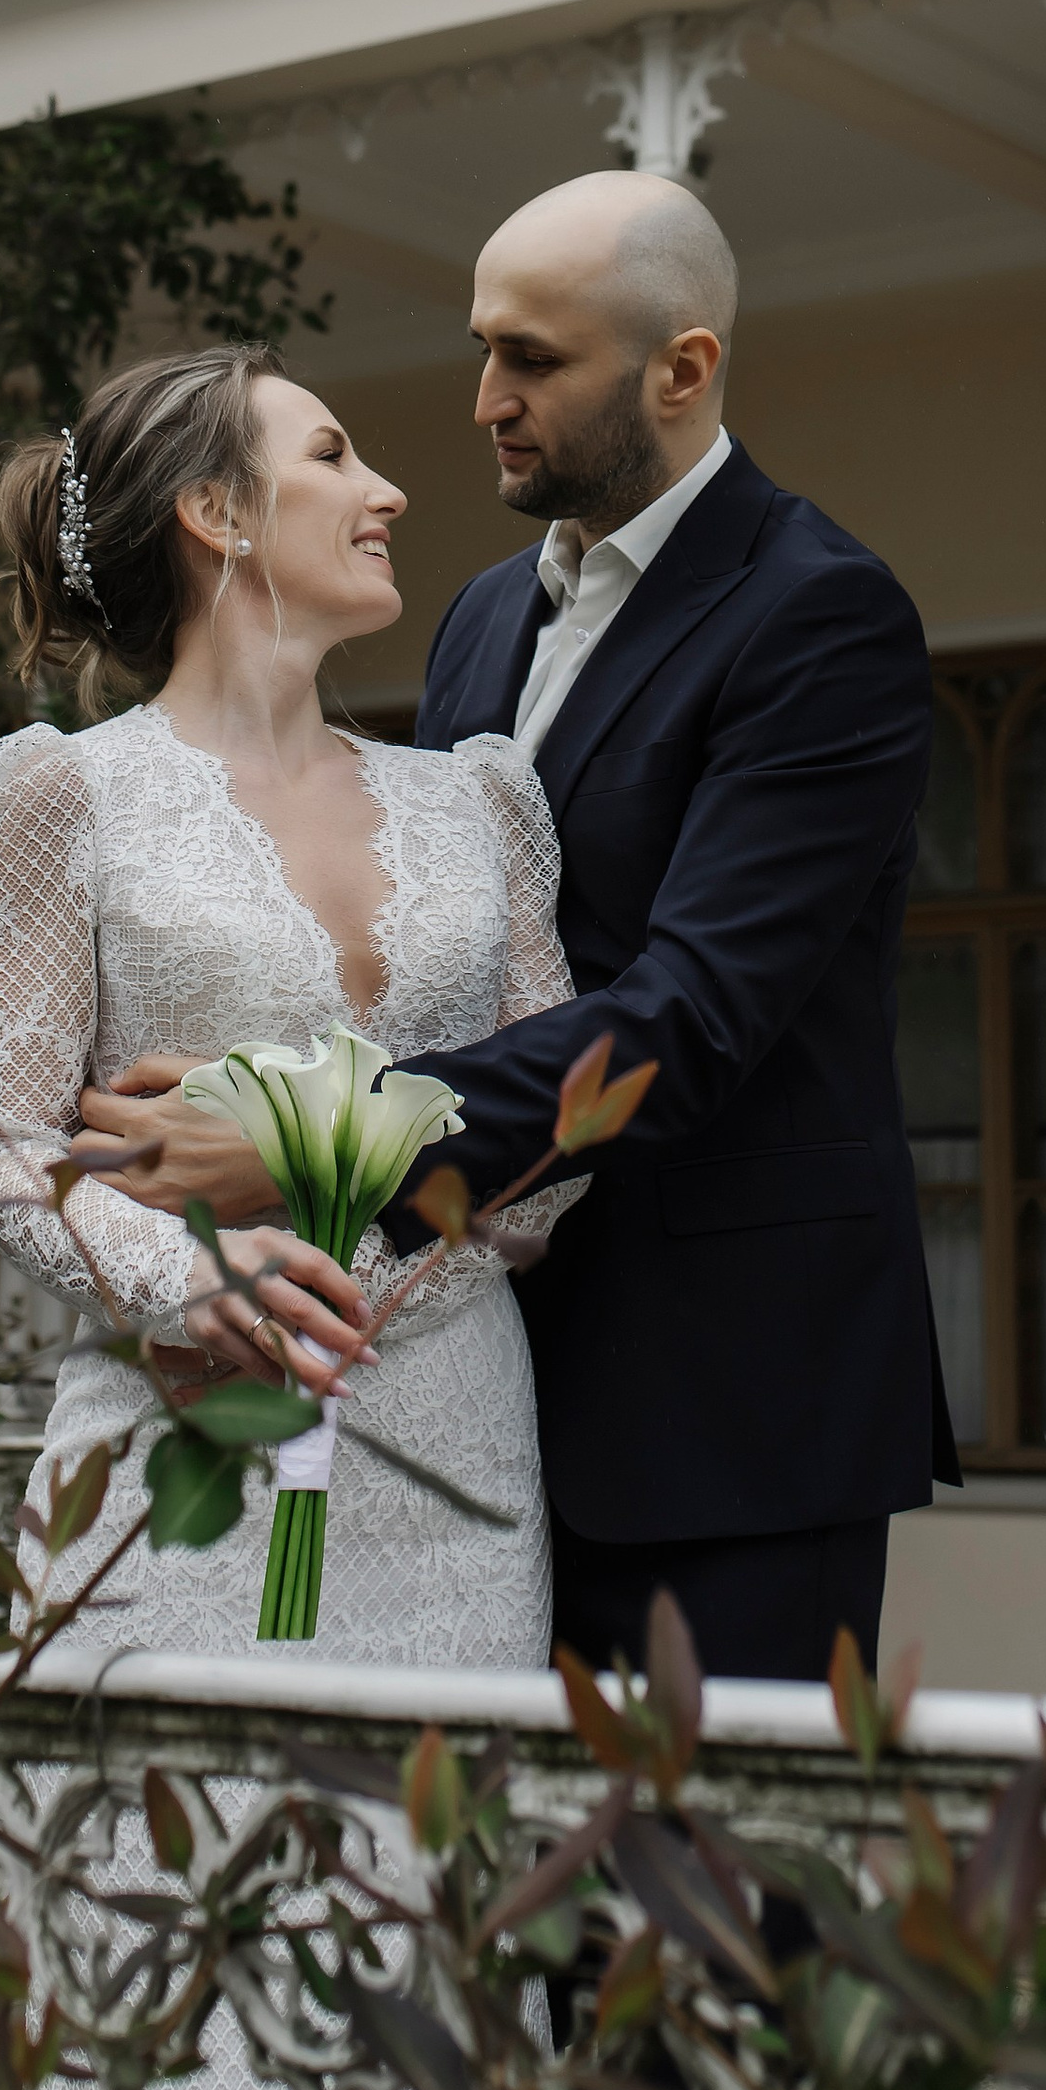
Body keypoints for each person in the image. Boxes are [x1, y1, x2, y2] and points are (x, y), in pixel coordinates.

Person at [84, 174, 954, 1705]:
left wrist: (304, 1133)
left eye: (534, 361)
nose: (485, 399)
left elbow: (690, 1013)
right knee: (490, 1908)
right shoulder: (482, 617)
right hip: (457, 1377)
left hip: (725, 1402)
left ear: (681, 370)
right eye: (484, 348)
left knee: (711, 1914)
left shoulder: (823, 617)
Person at [0, 345, 585, 2090]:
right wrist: (178, 1283)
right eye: (335, 455)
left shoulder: (483, 803)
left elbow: (555, 1156)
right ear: (221, 518)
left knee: (427, 1948)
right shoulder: (68, 799)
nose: (389, 486)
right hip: (179, 1458)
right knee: (178, 1957)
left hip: (452, 1448)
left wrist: (318, 1129)